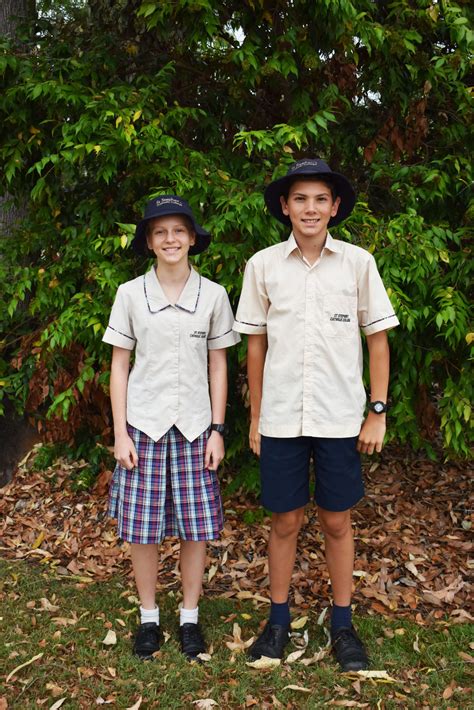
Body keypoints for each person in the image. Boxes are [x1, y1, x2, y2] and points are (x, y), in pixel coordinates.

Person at [233, 158, 399, 671]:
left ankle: (342, 624)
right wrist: (257, 417)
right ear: (285, 207)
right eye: (299, 198)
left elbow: (377, 340)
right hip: (281, 416)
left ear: (335, 207)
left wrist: (377, 410)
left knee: (336, 519)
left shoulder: (357, 263)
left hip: (338, 417)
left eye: (320, 199)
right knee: (285, 520)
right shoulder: (262, 266)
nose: (310, 208)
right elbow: (255, 348)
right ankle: (278, 620)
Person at [103, 195, 240, 661]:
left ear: (192, 238)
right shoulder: (129, 295)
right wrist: (120, 432)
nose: (170, 239)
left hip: (196, 428)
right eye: (160, 232)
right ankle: (148, 618)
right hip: (142, 427)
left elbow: (218, 365)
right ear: (148, 241)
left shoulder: (214, 295)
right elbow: (119, 366)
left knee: (195, 528)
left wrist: (218, 429)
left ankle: (189, 618)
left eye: (179, 230)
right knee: (142, 529)